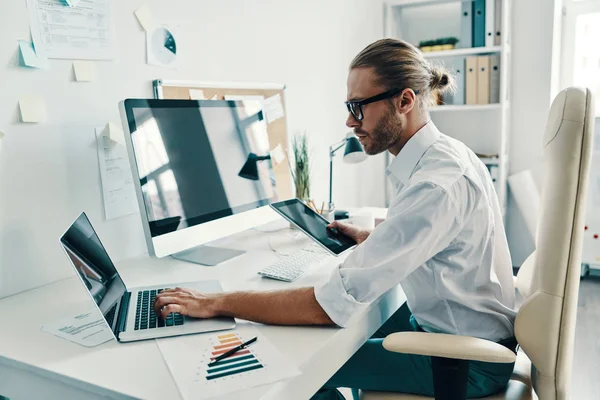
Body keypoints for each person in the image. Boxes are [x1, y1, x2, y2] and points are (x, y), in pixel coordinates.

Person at [153, 38, 518, 399]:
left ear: (404, 101)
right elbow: (433, 241)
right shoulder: (446, 155)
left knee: (301, 364)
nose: (349, 121)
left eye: (358, 107)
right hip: (457, 334)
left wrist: (216, 302)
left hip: (464, 363)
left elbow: (327, 304)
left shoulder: (434, 186)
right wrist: (374, 237)